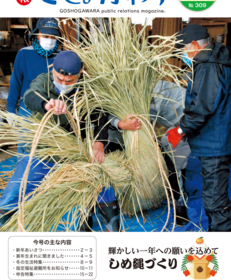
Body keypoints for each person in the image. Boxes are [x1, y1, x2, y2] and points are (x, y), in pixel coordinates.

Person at [0, 51, 120, 233]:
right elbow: (30, 95)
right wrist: (47, 104)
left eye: (69, 81)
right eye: (59, 78)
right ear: (53, 70)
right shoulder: (44, 80)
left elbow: (100, 117)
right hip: (45, 149)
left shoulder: (90, 88)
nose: (63, 84)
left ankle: (100, 224)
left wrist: (99, 143)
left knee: (103, 182)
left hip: (77, 149)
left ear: (79, 73)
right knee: (13, 194)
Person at [167, 23, 231, 233]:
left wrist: (180, 130)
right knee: (214, 196)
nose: (182, 56)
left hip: (214, 144)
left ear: (194, 44)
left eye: (182, 50)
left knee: (215, 202)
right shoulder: (217, 60)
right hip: (216, 140)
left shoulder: (208, 64)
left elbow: (203, 106)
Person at [108, 79, 191, 226]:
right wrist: (120, 123)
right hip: (133, 131)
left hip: (175, 127)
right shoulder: (113, 89)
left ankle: (179, 201)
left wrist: (180, 130)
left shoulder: (160, 90)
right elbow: (106, 116)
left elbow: (193, 112)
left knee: (172, 163)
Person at [7, 17, 61, 157]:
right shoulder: (24, 54)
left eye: (53, 37)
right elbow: (15, 84)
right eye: (45, 36)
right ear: (37, 34)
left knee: (50, 153)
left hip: (52, 110)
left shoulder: (60, 57)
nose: (49, 40)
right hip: (28, 110)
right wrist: (11, 110)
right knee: (26, 152)